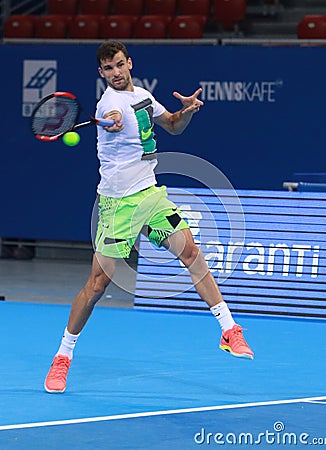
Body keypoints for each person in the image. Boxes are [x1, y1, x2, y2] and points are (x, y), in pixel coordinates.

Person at [44, 40, 254, 394]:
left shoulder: (142, 95)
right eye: (108, 68)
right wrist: (111, 123)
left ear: (129, 63)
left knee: (191, 253)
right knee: (97, 286)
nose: (115, 72)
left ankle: (229, 330)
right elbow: (113, 120)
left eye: (120, 65)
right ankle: (63, 356)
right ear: (101, 73)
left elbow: (171, 125)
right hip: (117, 204)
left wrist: (185, 111)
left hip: (151, 195)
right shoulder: (108, 105)